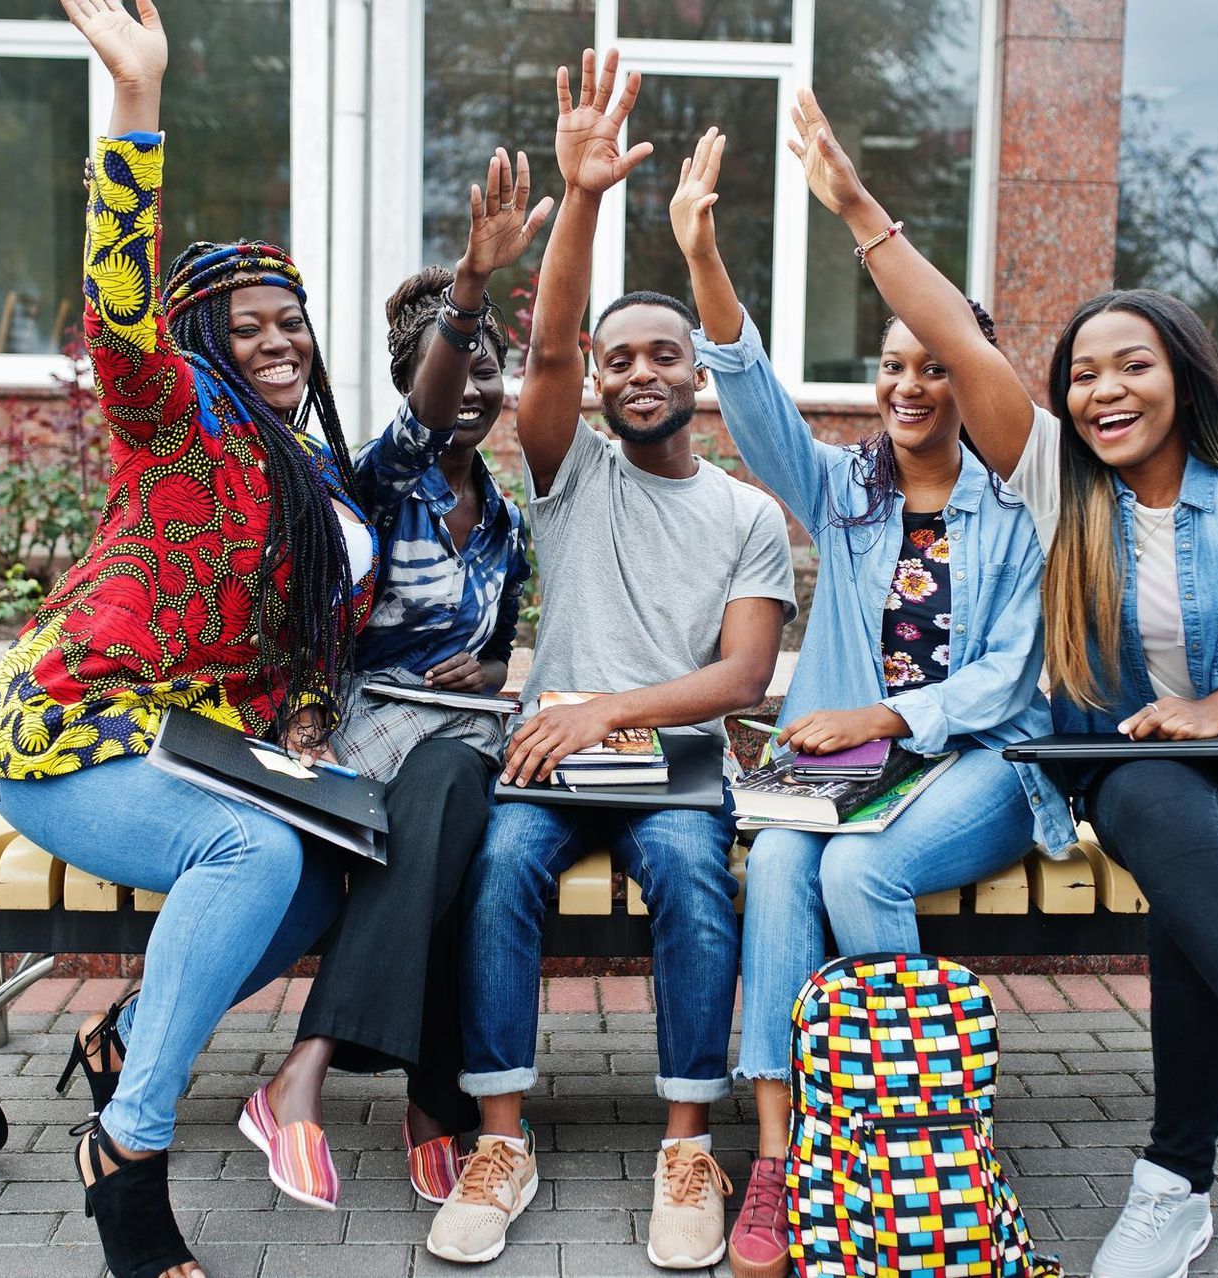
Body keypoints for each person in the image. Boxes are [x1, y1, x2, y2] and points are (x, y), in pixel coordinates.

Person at [780, 88, 1218, 1278]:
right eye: (1082, 375)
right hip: (1137, 769)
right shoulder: (1055, 482)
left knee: (1208, 911)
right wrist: (860, 209)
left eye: (1134, 366)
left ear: (1185, 377)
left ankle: (1179, 1184)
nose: (1104, 391)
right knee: (1169, 833)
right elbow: (960, 346)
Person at [0, 1, 474, 1272]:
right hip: (72, 734)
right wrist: (136, 108)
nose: (277, 342)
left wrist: (308, 731)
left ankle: (127, 1037)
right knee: (253, 853)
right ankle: (128, 1151)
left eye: (289, 321)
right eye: (248, 327)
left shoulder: (318, 471)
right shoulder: (175, 412)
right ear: (204, 347)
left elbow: (309, 640)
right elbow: (117, 316)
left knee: (312, 881)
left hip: (205, 749)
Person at [667, 126, 1076, 1278]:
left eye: (936, 364)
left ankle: (915, 1142)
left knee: (856, 868)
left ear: (975, 378)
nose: (908, 383)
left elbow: (1012, 675)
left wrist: (887, 718)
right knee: (790, 865)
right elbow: (749, 404)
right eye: (894, 365)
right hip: (845, 772)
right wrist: (702, 256)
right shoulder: (846, 492)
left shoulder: (1026, 502)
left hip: (987, 764)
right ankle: (783, 1161)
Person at [424, 48, 795, 1272]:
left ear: (699, 376)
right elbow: (540, 361)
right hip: (548, 757)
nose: (639, 373)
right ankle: (500, 1138)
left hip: (670, 765)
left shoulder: (744, 514)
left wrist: (607, 712)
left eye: (663, 356)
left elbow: (743, 679)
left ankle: (687, 1140)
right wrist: (580, 195)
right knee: (502, 872)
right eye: (617, 358)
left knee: (699, 886)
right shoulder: (567, 474)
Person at [244, 174, 547, 1207]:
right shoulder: (382, 472)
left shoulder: (505, 518)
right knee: (448, 806)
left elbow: (503, 644)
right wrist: (471, 284)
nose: (471, 388)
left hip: (457, 736)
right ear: (414, 383)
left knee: (453, 809)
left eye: (487, 370)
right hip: (367, 739)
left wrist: (497, 667)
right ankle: (425, 1104)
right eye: (450, 372)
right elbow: (424, 410)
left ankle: (316, 1073)